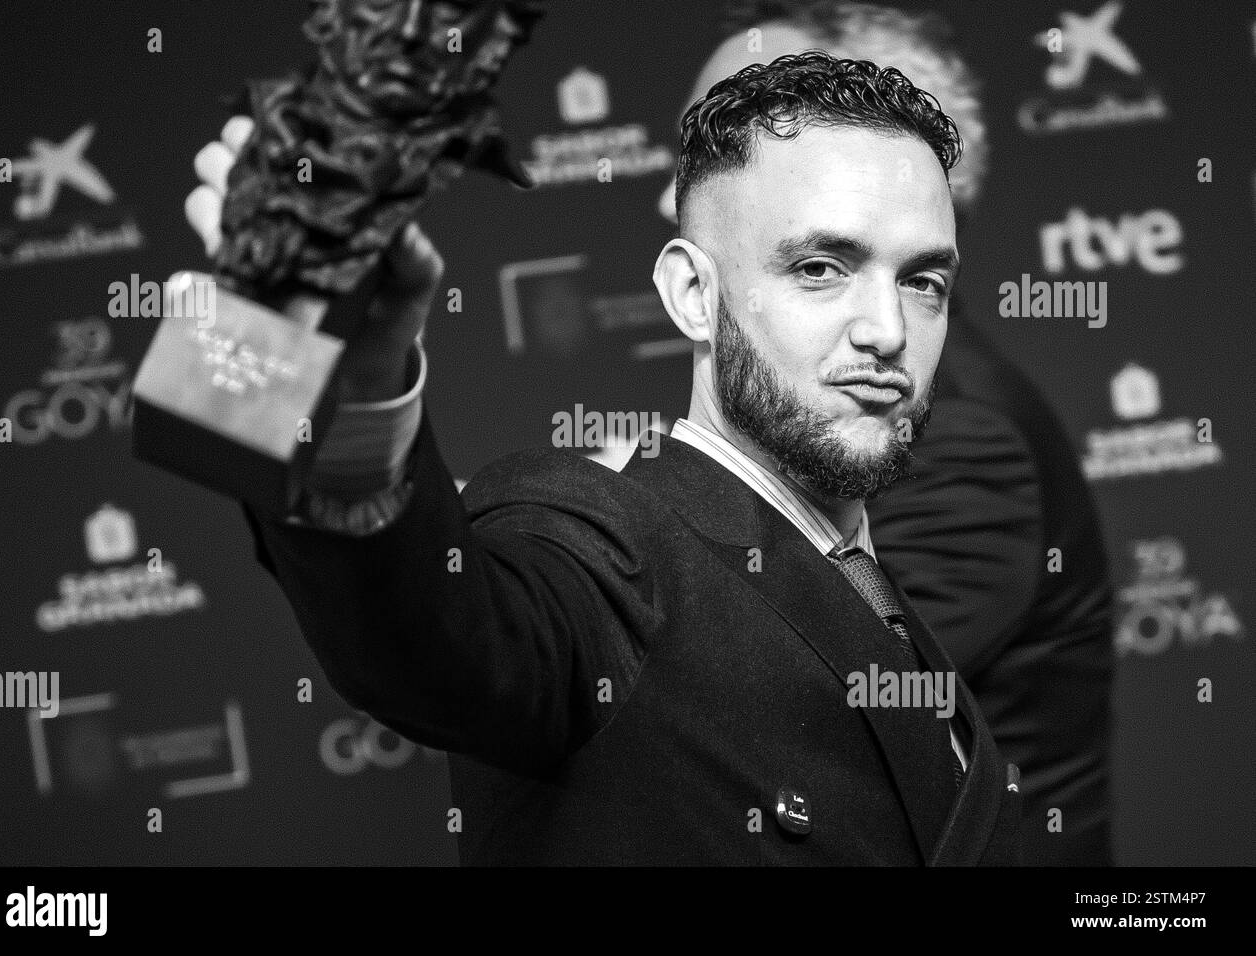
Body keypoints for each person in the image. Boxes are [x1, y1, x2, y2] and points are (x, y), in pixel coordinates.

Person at [187, 52, 1020, 865]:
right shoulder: (601, 550)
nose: (887, 330)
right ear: (693, 296)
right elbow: (422, 638)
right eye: (819, 268)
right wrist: (338, 367)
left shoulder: (878, 595)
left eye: (923, 282)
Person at [661, 1, 1114, 866]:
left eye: (737, 128)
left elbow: (789, 705)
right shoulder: (793, 392)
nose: (671, 185)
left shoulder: (936, 428)